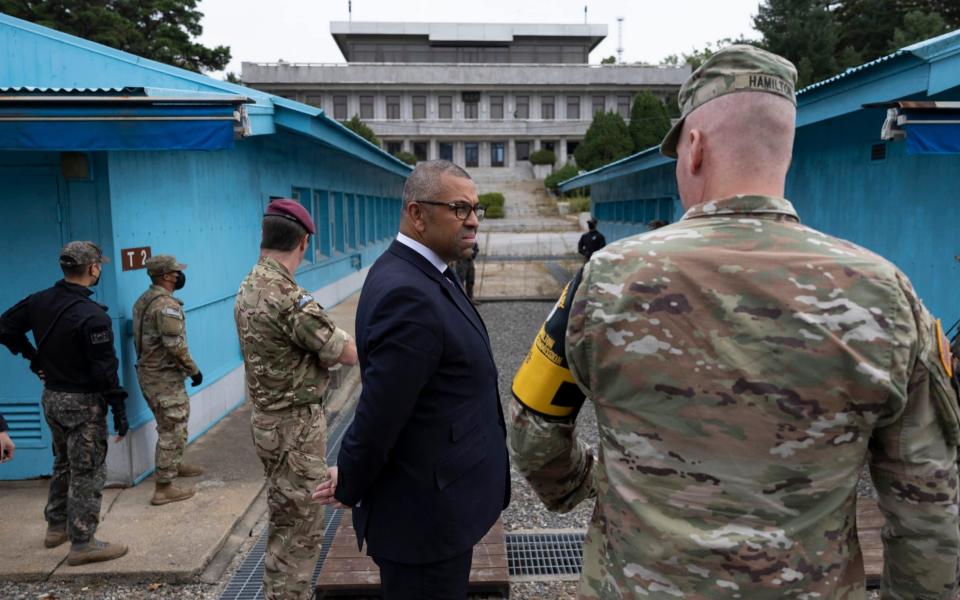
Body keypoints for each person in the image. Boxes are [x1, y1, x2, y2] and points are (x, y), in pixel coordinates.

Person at [508, 45, 960, 599]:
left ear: (693, 148)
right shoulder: (887, 294)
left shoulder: (605, 279)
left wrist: (581, 485)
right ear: (784, 151)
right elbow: (928, 504)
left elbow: (534, 429)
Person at [314, 160, 510, 599]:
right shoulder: (407, 292)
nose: (473, 220)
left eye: (476, 208)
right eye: (459, 208)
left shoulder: (429, 271)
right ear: (417, 214)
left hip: (442, 506)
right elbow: (380, 411)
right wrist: (350, 479)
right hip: (423, 522)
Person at [234, 199, 358, 600]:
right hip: (294, 429)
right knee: (301, 532)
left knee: (285, 521)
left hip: (268, 422)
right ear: (303, 242)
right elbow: (346, 352)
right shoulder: (288, 297)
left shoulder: (250, 284)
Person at [0, 241, 128, 565]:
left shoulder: (39, 300)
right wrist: (119, 408)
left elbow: (4, 327)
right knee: (88, 470)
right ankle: (83, 542)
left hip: (52, 399)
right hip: (83, 405)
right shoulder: (92, 316)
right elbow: (105, 371)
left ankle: (56, 526)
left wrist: (33, 358)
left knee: (63, 462)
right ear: (93, 268)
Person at [133, 254, 203, 506]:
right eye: (175, 272)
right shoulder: (165, 305)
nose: (179, 275)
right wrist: (193, 370)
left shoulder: (144, 299)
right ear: (165, 275)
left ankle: (172, 463)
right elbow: (174, 345)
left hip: (151, 374)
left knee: (171, 423)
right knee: (172, 427)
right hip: (162, 377)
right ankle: (164, 487)